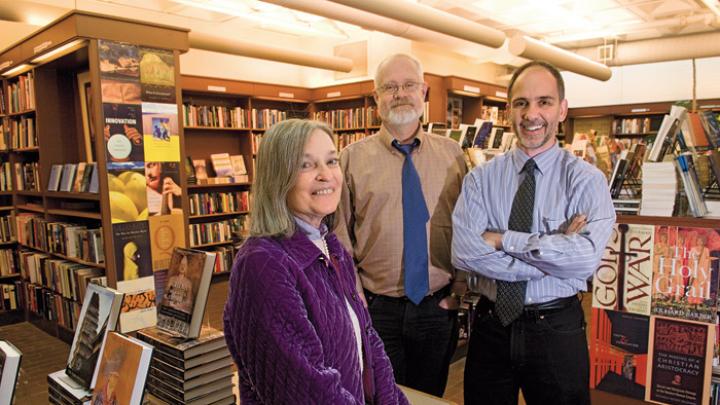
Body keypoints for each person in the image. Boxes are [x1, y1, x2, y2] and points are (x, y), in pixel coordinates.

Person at [452, 60, 616, 405]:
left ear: (562, 109)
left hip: (557, 327)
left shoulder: (586, 181)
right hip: (490, 324)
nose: (532, 114)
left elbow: (584, 259)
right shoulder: (479, 179)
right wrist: (551, 257)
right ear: (509, 110)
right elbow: (465, 252)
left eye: (544, 102)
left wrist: (503, 240)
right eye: (521, 103)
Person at [223, 119, 408, 404]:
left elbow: (369, 343)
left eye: (332, 161)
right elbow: (306, 389)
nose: (326, 175)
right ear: (278, 176)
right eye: (306, 165)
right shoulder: (262, 264)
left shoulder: (332, 247)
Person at [335, 53, 468, 396]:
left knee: (429, 396)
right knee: (380, 395)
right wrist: (356, 301)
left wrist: (459, 290)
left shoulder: (453, 156)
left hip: (437, 307)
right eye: (390, 87)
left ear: (423, 91)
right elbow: (340, 239)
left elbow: (467, 227)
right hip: (377, 310)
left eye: (409, 85)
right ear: (376, 97)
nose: (400, 93)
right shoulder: (351, 158)